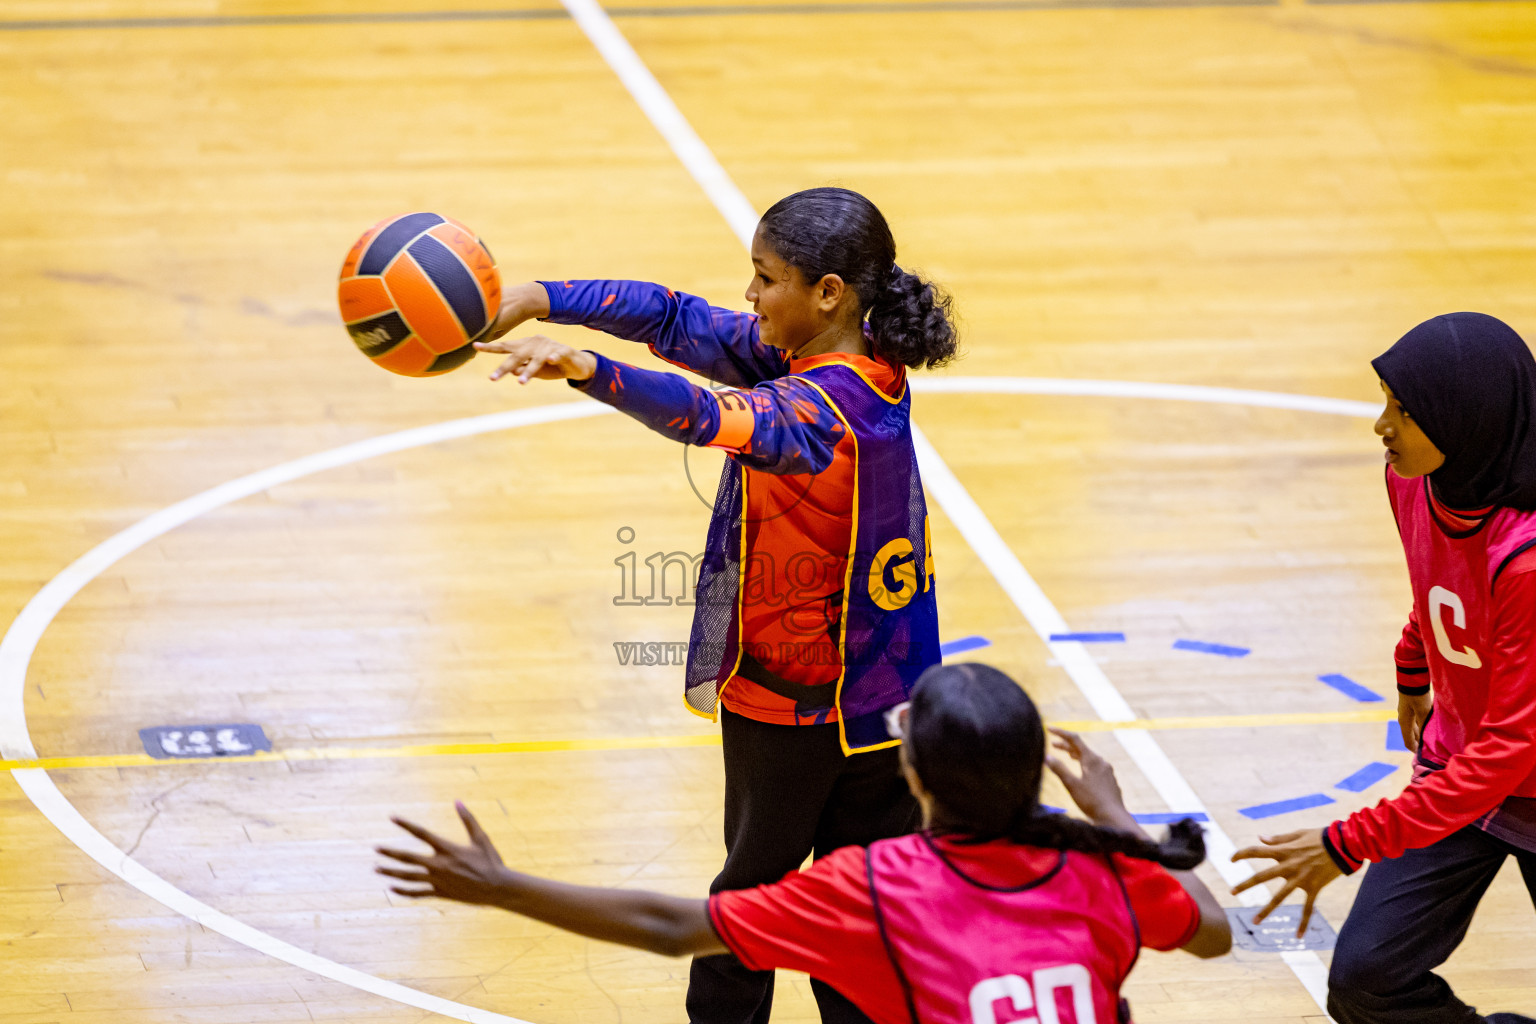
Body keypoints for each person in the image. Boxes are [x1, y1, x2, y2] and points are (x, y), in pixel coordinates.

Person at [473, 187, 954, 1024]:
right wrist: (539, 298)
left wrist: (588, 367)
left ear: (828, 292)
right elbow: (669, 315)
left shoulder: (817, 413)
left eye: (765, 279)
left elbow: (705, 414)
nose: (749, 296)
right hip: (891, 696)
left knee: (748, 908)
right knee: (864, 914)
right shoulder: (856, 357)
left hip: (798, 704)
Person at [376, 662, 1232, 1024]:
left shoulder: (877, 883)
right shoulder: (1095, 864)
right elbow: (1212, 932)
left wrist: (501, 887)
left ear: (917, 779)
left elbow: (676, 927)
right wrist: (1116, 817)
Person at [1232, 312, 1536, 1024]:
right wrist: (1412, 666)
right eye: (1385, 401)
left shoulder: (1526, 560)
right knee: (1367, 983)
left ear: (1469, 422)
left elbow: (1512, 749)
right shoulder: (1414, 483)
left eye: (1403, 411)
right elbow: (1436, 586)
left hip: (1508, 773)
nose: (1381, 425)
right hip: (1465, 777)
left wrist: (1347, 844)